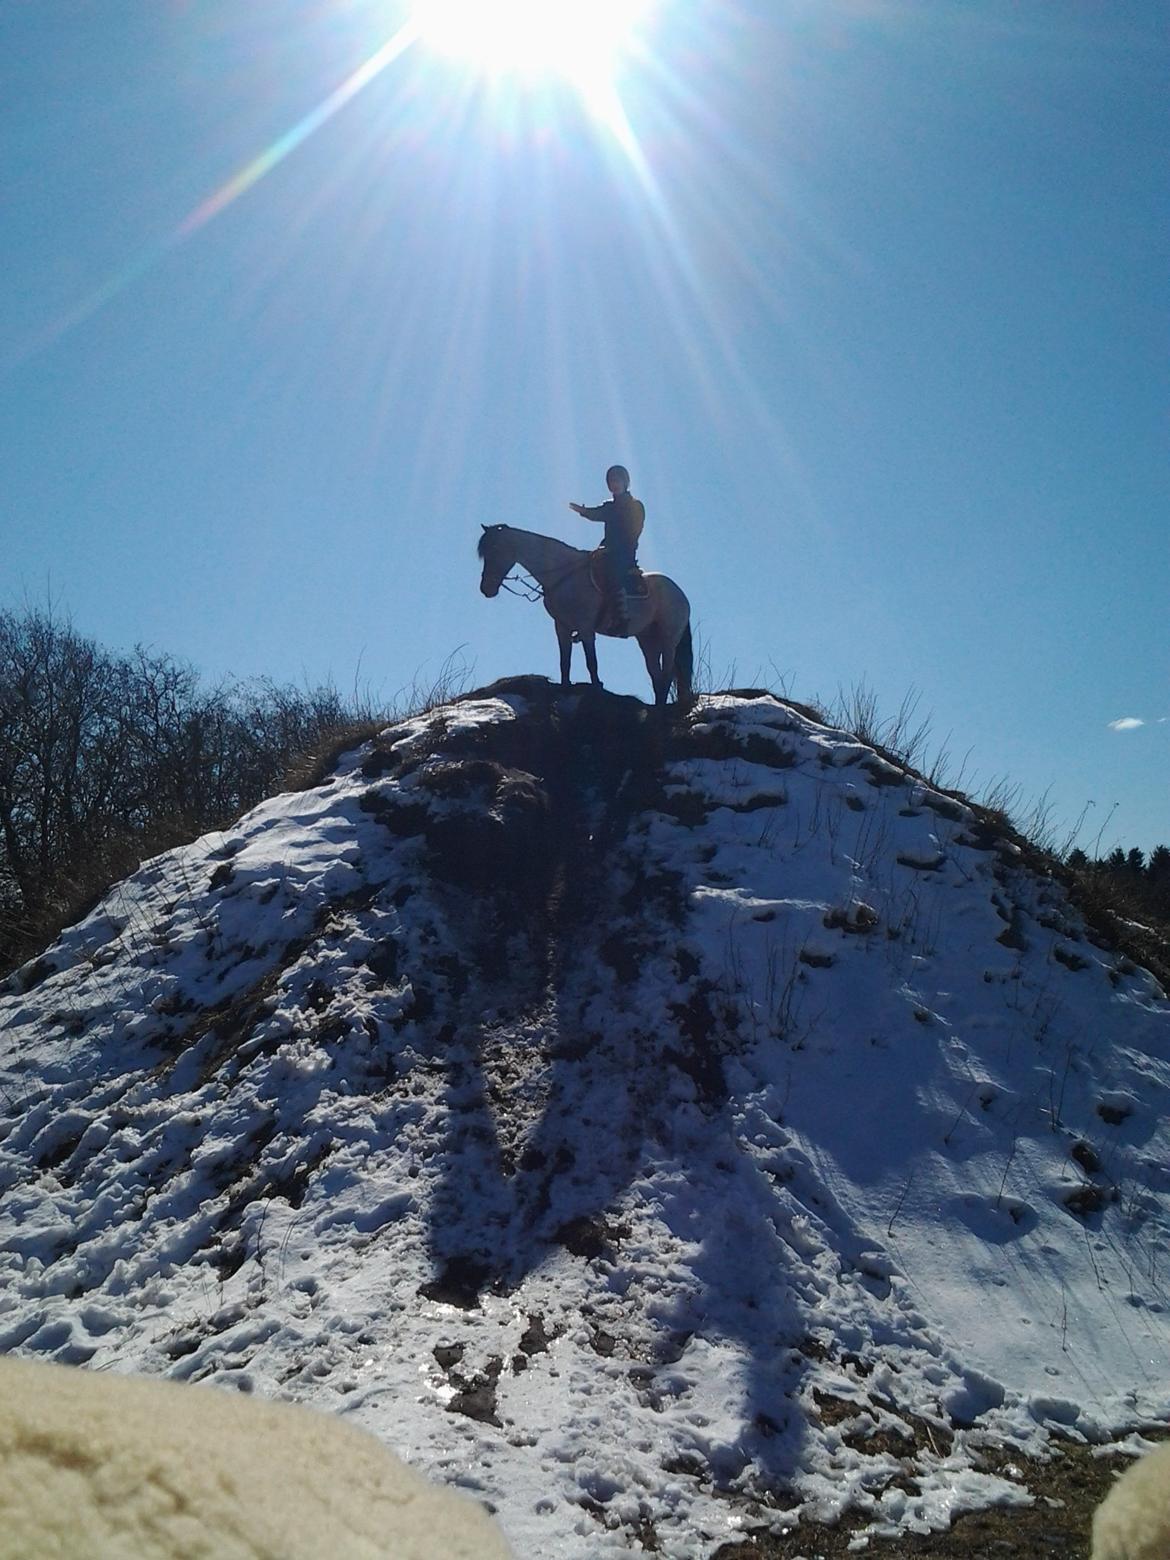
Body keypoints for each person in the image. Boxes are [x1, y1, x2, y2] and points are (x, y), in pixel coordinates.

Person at [569, 465, 645, 634]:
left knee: (611, 573)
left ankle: (621, 618)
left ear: (625, 482)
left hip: (624, 554)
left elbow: (633, 533)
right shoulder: (609, 507)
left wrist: (611, 549)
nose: (613, 484)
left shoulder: (635, 506)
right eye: (610, 481)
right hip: (606, 552)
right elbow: (596, 513)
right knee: (584, 567)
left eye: (617, 480)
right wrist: (583, 511)